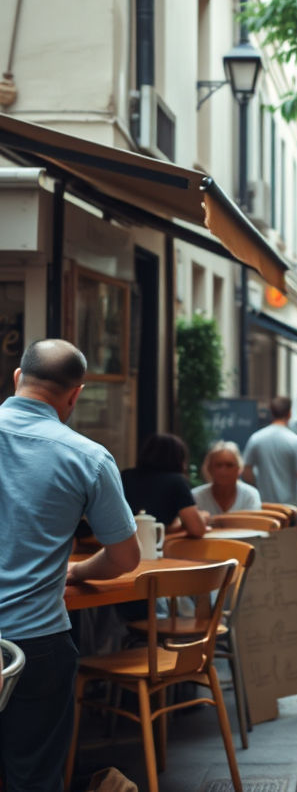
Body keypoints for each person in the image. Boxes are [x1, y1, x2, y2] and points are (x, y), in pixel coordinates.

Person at [0, 339, 140, 792]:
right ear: (75, 394)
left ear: (17, 378)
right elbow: (125, 558)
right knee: (34, 776)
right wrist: (77, 571)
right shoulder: (89, 458)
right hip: (35, 642)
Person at [120, 433, 207, 536]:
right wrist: (203, 518)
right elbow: (196, 529)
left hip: (119, 542)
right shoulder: (177, 481)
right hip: (157, 546)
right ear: (180, 458)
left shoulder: (125, 476)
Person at [242, 396, 297, 520]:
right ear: (290, 413)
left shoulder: (256, 439)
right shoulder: (295, 441)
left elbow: (246, 470)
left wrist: (255, 490)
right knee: (291, 538)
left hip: (264, 505)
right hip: (290, 507)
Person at [192, 441, 263, 515]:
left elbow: (255, 525)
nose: (223, 471)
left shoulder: (250, 495)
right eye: (218, 465)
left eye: (229, 465)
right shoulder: (196, 497)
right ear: (209, 469)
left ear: (239, 468)